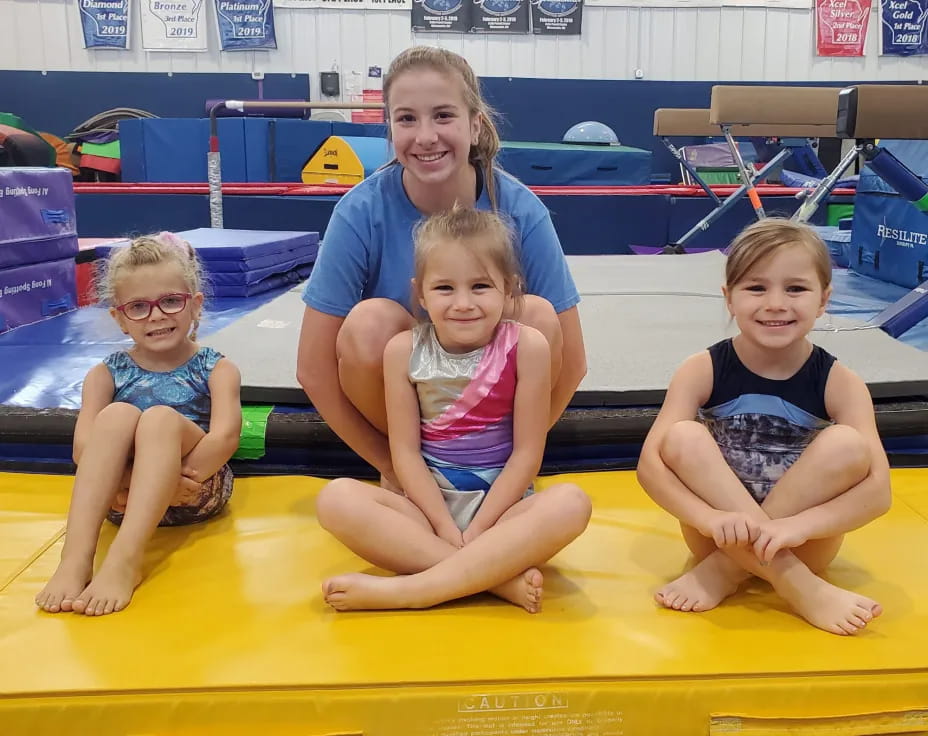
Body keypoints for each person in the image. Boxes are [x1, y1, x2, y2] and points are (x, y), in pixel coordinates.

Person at [297, 46, 586, 492]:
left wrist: (515, 464)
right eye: (407, 119)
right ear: (389, 128)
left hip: (497, 437)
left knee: (538, 317)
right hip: (404, 419)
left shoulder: (521, 211)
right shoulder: (361, 212)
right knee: (369, 323)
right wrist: (392, 465)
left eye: (444, 116)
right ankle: (424, 474)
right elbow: (313, 369)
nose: (426, 136)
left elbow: (572, 363)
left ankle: (482, 473)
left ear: (475, 124)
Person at [316, 206, 591, 612]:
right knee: (335, 499)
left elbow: (527, 454)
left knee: (571, 502)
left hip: (504, 515)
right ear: (421, 294)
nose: (463, 303)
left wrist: (481, 526)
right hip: (427, 513)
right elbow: (405, 453)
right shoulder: (403, 351)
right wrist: (444, 525)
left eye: (480, 286)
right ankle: (495, 580)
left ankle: (413, 590)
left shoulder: (527, 346)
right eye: (445, 288)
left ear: (509, 288)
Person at [636, 219, 890, 635]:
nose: (775, 303)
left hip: (804, 544)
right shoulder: (702, 369)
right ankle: (795, 583)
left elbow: (879, 493)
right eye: (756, 288)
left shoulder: (840, 383)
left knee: (847, 444)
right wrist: (705, 518)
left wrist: (793, 528)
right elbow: (650, 465)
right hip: (715, 535)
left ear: (824, 299)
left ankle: (725, 571)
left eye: (795, 289)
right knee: (681, 436)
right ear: (729, 298)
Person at [34, 232, 242, 616]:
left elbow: (226, 436)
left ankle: (124, 560)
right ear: (120, 318)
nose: (157, 315)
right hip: (122, 500)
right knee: (116, 416)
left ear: (195, 305)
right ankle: (75, 558)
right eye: (139, 307)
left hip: (194, 491)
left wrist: (173, 483)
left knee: (160, 419)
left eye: (170, 301)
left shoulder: (216, 367)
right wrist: (130, 483)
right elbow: (84, 450)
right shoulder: (105, 374)